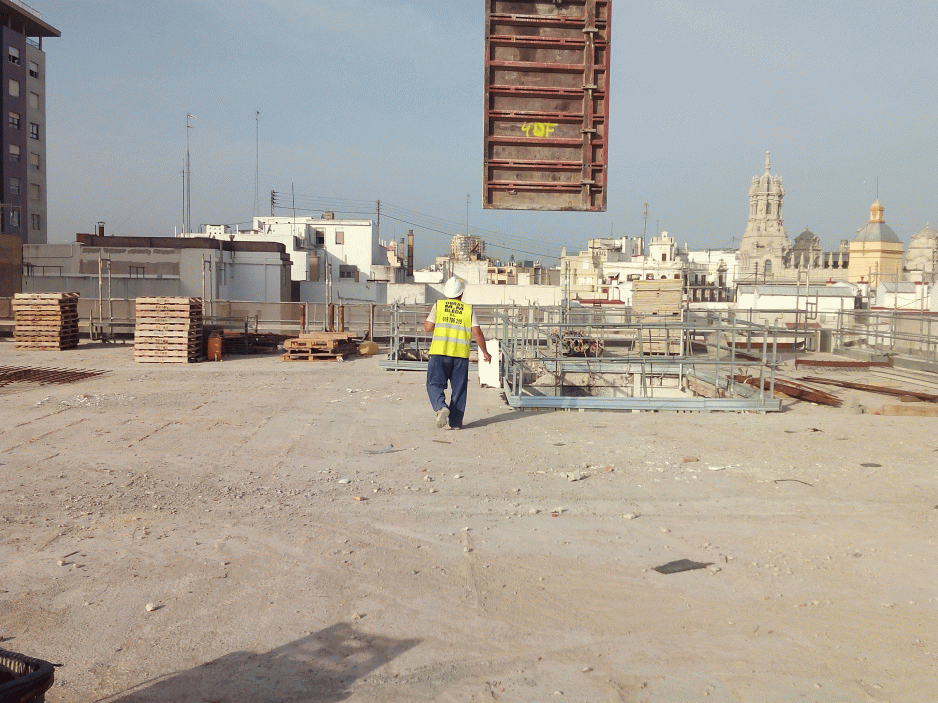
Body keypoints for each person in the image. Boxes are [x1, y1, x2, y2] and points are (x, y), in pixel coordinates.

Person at [424, 277, 492, 430]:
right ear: (462, 294)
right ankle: (455, 423)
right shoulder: (468, 309)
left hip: (439, 353)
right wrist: (485, 353)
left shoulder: (438, 306)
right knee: (459, 390)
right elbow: (477, 333)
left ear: (446, 293)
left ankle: (441, 407)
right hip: (460, 355)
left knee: (434, 384)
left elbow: (428, 327)